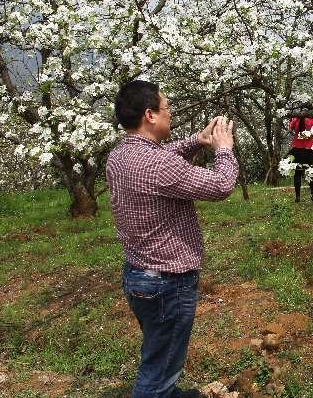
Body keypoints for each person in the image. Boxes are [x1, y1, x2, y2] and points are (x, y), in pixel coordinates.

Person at [107, 80, 238, 398]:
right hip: (168, 283)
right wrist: (223, 149)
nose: (171, 113)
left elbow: (160, 156)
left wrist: (196, 141)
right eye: (166, 108)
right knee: (159, 370)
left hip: (138, 277)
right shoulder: (160, 165)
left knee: (158, 351)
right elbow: (221, 185)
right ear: (150, 115)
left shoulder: (119, 156)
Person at [287, 111, 313, 202]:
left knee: (297, 174)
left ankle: (297, 197)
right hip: (310, 150)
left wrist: (295, 119)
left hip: (297, 150)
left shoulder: (297, 119)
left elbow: (290, 128)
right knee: (311, 173)